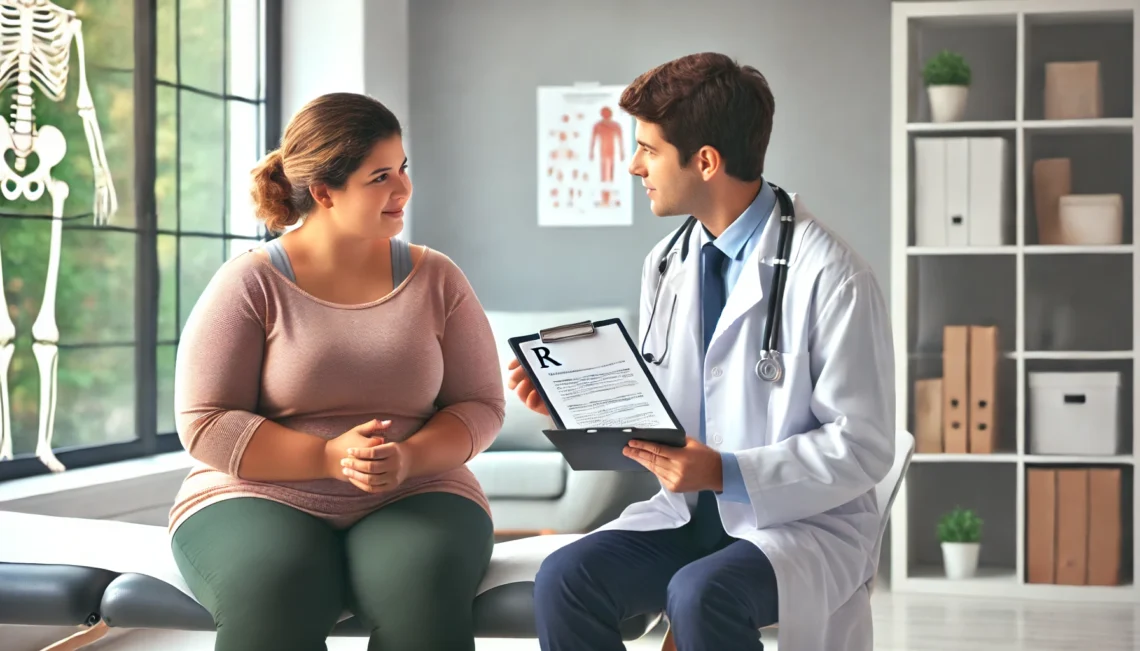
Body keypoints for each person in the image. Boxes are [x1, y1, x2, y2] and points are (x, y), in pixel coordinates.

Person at [508, 53, 896, 651]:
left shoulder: (833, 275)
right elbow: (666, 409)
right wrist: (573, 407)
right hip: (688, 516)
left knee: (700, 593)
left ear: (706, 162)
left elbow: (862, 447)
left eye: (649, 149)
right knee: (566, 579)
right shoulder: (666, 262)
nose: (634, 165)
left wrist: (727, 471)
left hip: (797, 527)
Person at [168, 92, 505, 651]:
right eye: (379, 177)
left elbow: (480, 405)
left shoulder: (438, 278)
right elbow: (204, 421)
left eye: (403, 169)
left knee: (423, 590)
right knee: (276, 588)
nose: (402, 190)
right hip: (257, 495)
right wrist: (326, 457)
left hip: (416, 491)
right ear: (324, 192)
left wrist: (408, 458)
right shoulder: (250, 283)